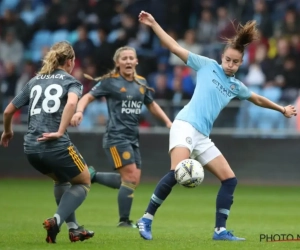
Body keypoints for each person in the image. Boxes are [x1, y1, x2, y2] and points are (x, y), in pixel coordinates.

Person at [136, 11, 297, 241]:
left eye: (236, 62)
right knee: (177, 172)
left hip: (202, 135)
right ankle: (146, 219)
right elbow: (173, 47)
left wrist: (281, 109)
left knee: (230, 179)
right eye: (228, 60)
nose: (230, 65)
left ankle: (220, 231)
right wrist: (153, 23)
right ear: (222, 57)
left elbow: (257, 98)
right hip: (184, 125)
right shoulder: (206, 65)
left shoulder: (236, 86)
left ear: (242, 62)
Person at [0, 41, 94, 243]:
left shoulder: (35, 81)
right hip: (55, 146)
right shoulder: (71, 81)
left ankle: (74, 228)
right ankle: (57, 221)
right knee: (84, 182)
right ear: (70, 61)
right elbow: (71, 102)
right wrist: (60, 131)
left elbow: (8, 110)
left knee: (61, 180)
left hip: (31, 148)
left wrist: (7, 131)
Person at [70, 46, 172, 228]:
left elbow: (151, 104)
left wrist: (167, 122)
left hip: (133, 138)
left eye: (131, 58)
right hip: (116, 137)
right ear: (117, 63)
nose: (128, 61)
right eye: (124, 58)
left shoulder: (141, 82)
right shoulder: (110, 82)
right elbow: (87, 97)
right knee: (130, 178)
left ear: (136, 61)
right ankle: (124, 221)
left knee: (132, 180)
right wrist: (79, 112)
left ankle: (91, 175)